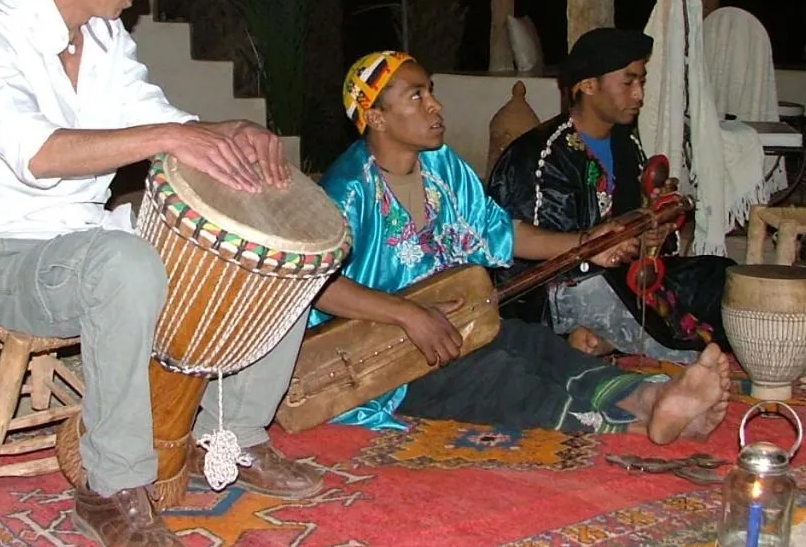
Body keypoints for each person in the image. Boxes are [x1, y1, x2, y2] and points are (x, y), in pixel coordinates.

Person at [0, 0, 321, 547]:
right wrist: (171, 138)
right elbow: (40, 153)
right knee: (125, 266)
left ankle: (232, 432)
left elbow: (160, 119)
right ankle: (111, 486)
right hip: (8, 255)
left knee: (267, 245)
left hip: (98, 242)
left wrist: (226, 132)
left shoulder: (106, 41)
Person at [308, 51, 731, 440]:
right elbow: (317, 285)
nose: (435, 105)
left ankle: (650, 398)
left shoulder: (442, 166)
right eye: (416, 96)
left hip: (450, 328)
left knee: (533, 343)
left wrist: (585, 244)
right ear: (377, 118)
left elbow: (501, 233)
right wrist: (408, 315)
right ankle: (633, 424)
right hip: (377, 362)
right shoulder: (348, 189)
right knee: (495, 374)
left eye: (431, 92)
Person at [487, 28, 732, 362]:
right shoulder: (542, 156)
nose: (639, 95)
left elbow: (638, 239)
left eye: (641, 82)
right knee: (609, 296)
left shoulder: (625, 144)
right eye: (628, 82)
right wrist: (599, 245)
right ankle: (594, 337)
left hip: (620, 279)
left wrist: (652, 235)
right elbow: (527, 264)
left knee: (720, 277)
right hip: (557, 293)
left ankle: (610, 336)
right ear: (588, 85)